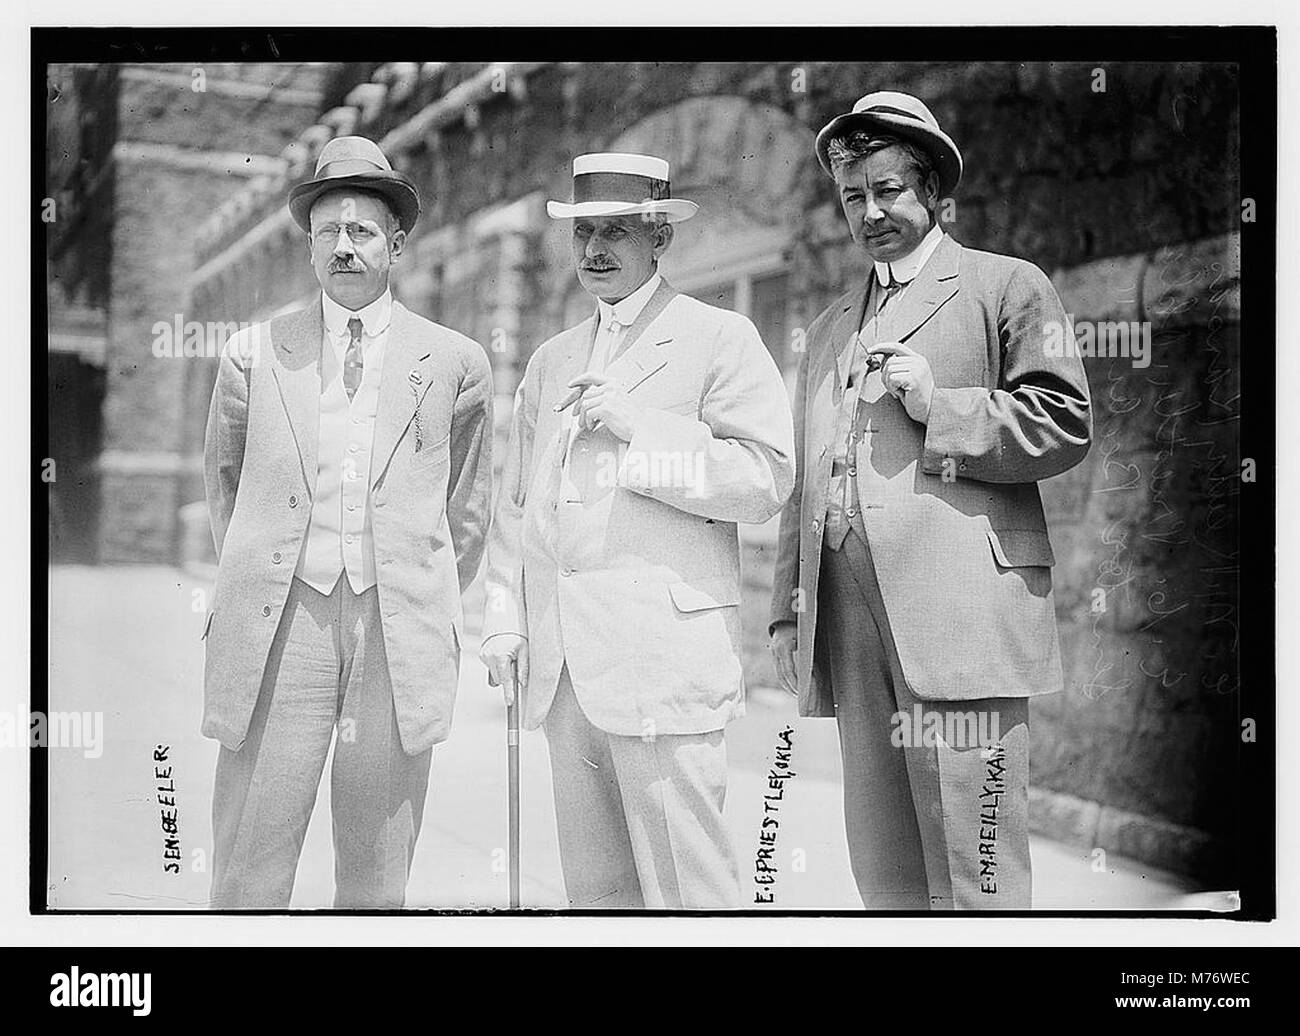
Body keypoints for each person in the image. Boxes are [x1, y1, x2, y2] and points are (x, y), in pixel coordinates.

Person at [769, 92, 1092, 909]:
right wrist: (786, 611)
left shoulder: (1007, 286)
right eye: (853, 196)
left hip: (959, 615)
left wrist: (941, 406)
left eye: (888, 190)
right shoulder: (835, 321)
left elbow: (1066, 422)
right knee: (883, 866)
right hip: (848, 618)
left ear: (932, 192)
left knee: (971, 870)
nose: (870, 211)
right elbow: (804, 482)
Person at [480, 152, 795, 909]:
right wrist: (502, 614)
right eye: (585, 231)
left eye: (617, 232)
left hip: (662, 666)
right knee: (597, 901)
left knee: (691, 894)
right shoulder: (553, 360)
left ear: (660, 239)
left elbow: (765, 480)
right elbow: (518, 503)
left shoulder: (720, 337)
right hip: (563, 676)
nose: (595, 250)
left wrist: (639, 429)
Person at [202, 135, 493, 908]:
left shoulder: (457, 362)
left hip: (394, 628)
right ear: (308, 246)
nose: (343, 247)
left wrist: (407, 591)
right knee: (250, 857)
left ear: (396, 244)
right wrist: (270, 574)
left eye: (362, 231)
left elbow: (466, 512)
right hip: (282, 619)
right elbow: (227, 494)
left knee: (377, 867)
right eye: (327, 231)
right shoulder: (252, 354)